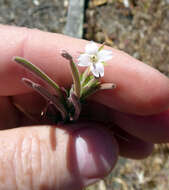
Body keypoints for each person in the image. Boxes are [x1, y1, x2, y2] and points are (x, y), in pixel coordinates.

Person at [0, 24, 169, 190]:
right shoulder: (87, 63)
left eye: (95, 58)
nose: (94, 59)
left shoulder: (92, 66)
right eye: (93, 58)